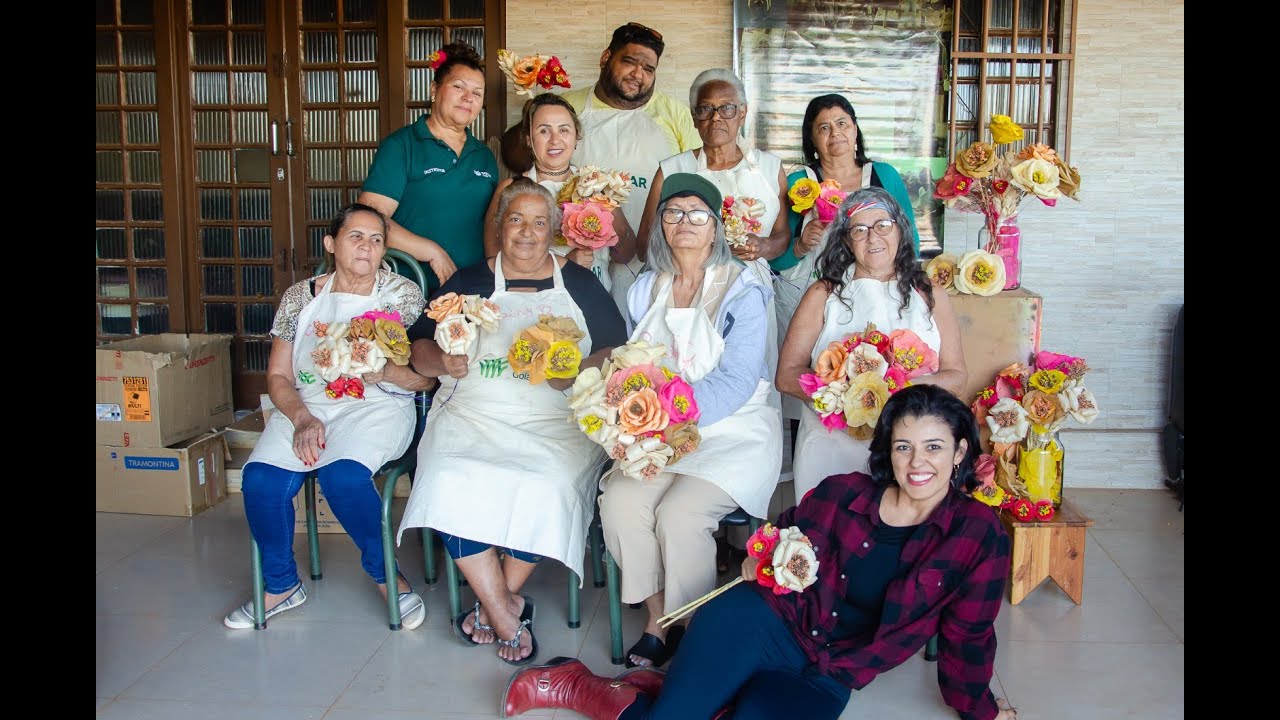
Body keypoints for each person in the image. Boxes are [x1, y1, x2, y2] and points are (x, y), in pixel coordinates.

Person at [499, 384, 1019, 720]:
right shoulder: (843, 494)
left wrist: (981, 711)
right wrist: (759, 557)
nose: (917, 463)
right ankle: (579, 685)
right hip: (764, 621)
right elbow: (779, 537)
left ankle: (652, 692)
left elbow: (968, 636)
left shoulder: (977, 537)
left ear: (960, 452)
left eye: (934, 447)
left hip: (831, 670)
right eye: (904, 447)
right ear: (889, 451)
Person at [396, 179, 628, 665]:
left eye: (539, 222)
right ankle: (504, 610)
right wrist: (443, 360)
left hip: (556, 420)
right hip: (472, 414)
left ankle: (492, 605)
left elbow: (613, 349)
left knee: (549, 483)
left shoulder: (580, 284)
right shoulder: (467, 283)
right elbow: (418, 349)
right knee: (446, 475)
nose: (527, 232)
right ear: (500, 226)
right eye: (516, 220)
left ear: (553, 230)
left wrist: (574, 370)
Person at [598, 173, 782, 669]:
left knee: (680, 516)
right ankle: (659, 618)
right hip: (659, 431)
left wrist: (667, 413)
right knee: (620, 503)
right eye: (673, 212)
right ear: (660, 224)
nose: (685, 221)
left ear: (716, 225)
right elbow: (633, 362)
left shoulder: (742, 289)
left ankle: (693, 626)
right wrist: (641, 415)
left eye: (698, 213)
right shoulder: (645, 289)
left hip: (732, 429)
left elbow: (737, 381)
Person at [224, 203, 432, 631]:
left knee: (343, 477)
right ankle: (281, 584)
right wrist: (302, 418)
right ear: (331, 244)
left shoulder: (403, 295)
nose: (367, 247)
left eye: (376, 239)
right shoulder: (300, 297)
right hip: (307, 405)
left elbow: (425, 378)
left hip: (376, 406)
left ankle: (387, 576)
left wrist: (384, 371)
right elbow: (278, 375)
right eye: (356, 237)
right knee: (259, 480)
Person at [777, 186, 967, 503]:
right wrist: (844, 396)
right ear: (846, 240)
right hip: (832, 444)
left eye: (883, 225)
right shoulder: (823, 293)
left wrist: (894, 392)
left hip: (912, 445)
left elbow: (957, 376)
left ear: (900, 229)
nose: (873, 237)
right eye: (860, 230)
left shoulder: (929, 293)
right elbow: (786, 376)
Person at [772, 94, 924, 428]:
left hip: (878, 300)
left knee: (880, 378)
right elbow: (777, 259)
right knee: (815, 383)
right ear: (812, 139)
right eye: (823, 128)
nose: (835, 133)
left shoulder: (883, 175)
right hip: (809, 302)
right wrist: (801, 244)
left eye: (842, 123)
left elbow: (909, 241)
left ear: (855, 129)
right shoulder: (799, 183)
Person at [637, 68, 790, 383]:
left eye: (727, 108)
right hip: (684, 288)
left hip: (749, 286)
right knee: (684, 373)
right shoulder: (672, 170)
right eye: (705, 109)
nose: (716, 117)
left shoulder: (770, 168)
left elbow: (782, 236)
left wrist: (763, 246)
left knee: (748, 374)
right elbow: (644, 246)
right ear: (694, 117)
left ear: (742, 113)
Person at [562, 22, 701, 314]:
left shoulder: (673, 114)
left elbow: (698, 179)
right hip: (580, 258)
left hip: (654, 260)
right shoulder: (567, 107)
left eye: (649, 69)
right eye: (629, 62)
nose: (638, 74)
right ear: (605, 58)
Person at [358, 41, 498, 292]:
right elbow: (369, 218)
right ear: (434, 89)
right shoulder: (402, 146)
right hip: (410, 288)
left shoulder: (484, 156)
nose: (468, 98)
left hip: (472, 293)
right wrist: (432, 252)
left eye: (477, 93)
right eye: (458, 87)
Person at [482, 94, 638, 291]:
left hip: (596, 295)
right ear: (529, 139)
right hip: (537, 300)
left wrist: (611, 211)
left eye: (564, 130)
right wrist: (563, 265)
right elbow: (494, 262)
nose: (555, 140)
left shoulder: (598, 184)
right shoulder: (512, 189)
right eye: (544, 131)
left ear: (576, 136)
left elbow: (626, 255)